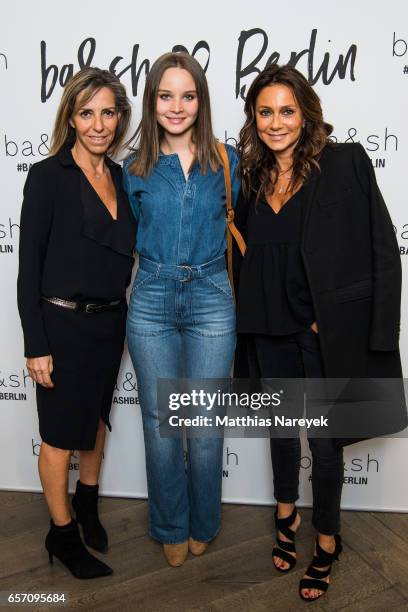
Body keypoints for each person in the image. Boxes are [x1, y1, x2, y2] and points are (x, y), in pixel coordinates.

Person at [233, 64, 407, 601]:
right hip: (266, 328)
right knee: (282, 432)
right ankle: (285, 514)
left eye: (287, 110)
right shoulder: (251, 176)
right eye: (266, 112)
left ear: (306, 114)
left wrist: (378, 331)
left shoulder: (345, 162)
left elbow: (383, 249)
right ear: (254, 118)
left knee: (325, 443)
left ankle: (327, 539)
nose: (276, 122)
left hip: (321, 333)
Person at [17, 67, 135, 579]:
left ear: (120, 118)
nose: (98, 124)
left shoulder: (124, 177)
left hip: (111, 325)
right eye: (87, 113)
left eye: (108, 112)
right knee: (60, 436)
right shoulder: (48, 176)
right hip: (61, 327)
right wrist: (36, 343)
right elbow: (28, 268)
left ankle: (86, 503)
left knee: (97, 421)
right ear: (71, 116)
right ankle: (61, 533)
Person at [123, 52, 239, 567]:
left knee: (207, 422)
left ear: (201, 100)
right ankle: (170, 524)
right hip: (150, 298)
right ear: (151, 102)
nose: (176, 107)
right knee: (162, 422)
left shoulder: (226, 159)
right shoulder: (134, 167)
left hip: (212, 296)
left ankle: (205, 522)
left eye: (187, 96)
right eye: (165, 96)